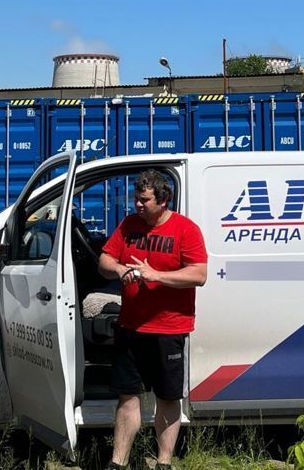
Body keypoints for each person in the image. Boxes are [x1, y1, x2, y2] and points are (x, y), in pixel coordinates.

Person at [98, 170, 207, 470]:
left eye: (144, 200)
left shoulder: (185, 230)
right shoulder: (129, 226)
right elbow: (104, 260)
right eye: (136, 198)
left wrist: (155, 275)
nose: (137, 205)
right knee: (127, 397)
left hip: (168, 330)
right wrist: (119, 270)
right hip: (131, 327)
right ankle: (117, 463)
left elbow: (199, 274)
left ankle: (164, 463)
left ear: (163, 199)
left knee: (168, 398)